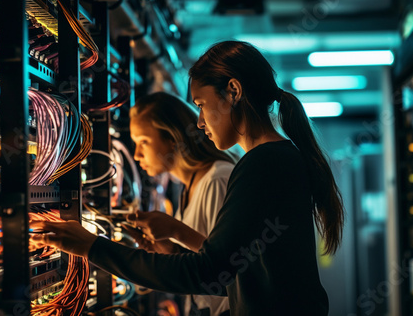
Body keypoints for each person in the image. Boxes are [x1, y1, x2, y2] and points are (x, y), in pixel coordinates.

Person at [31, 41, 345, 316]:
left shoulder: (264, 163)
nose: (199, 121)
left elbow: (209, 274)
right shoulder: (275, 159)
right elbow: (235, 276)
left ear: (233, 91)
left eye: (201, 104)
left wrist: (92, 247)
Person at [125, 92, 235, 316]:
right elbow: (199, 258)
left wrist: (175, 230)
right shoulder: (188, 187)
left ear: (172, 138)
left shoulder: (217, 179)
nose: (136, 155)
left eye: (143, 142)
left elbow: (228, 265)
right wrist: (170, 252)